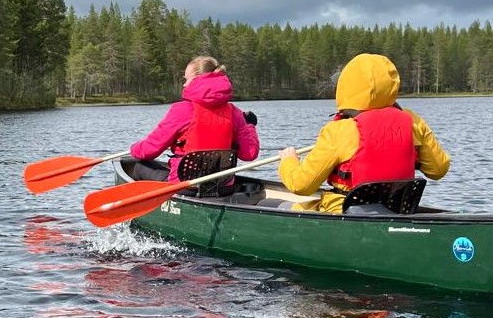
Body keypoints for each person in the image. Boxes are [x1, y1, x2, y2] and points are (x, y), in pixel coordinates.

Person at [278, 53, 450, 213]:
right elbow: (439, 169)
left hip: (344, 212)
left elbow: (301, 185)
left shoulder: (340, 130)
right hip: (397, 210)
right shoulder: (413, 121)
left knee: (281, 206)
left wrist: (289, 161)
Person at [128, 56, 260, 183]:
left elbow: (149, 150)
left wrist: (134, 149)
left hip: (186, 185)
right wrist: (250, 126)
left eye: (186, 79)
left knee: (137, 165)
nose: (185, 84)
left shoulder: (182, 110)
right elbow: (249, 154)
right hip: (223, 185)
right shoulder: (234, 112)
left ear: (198, 78)